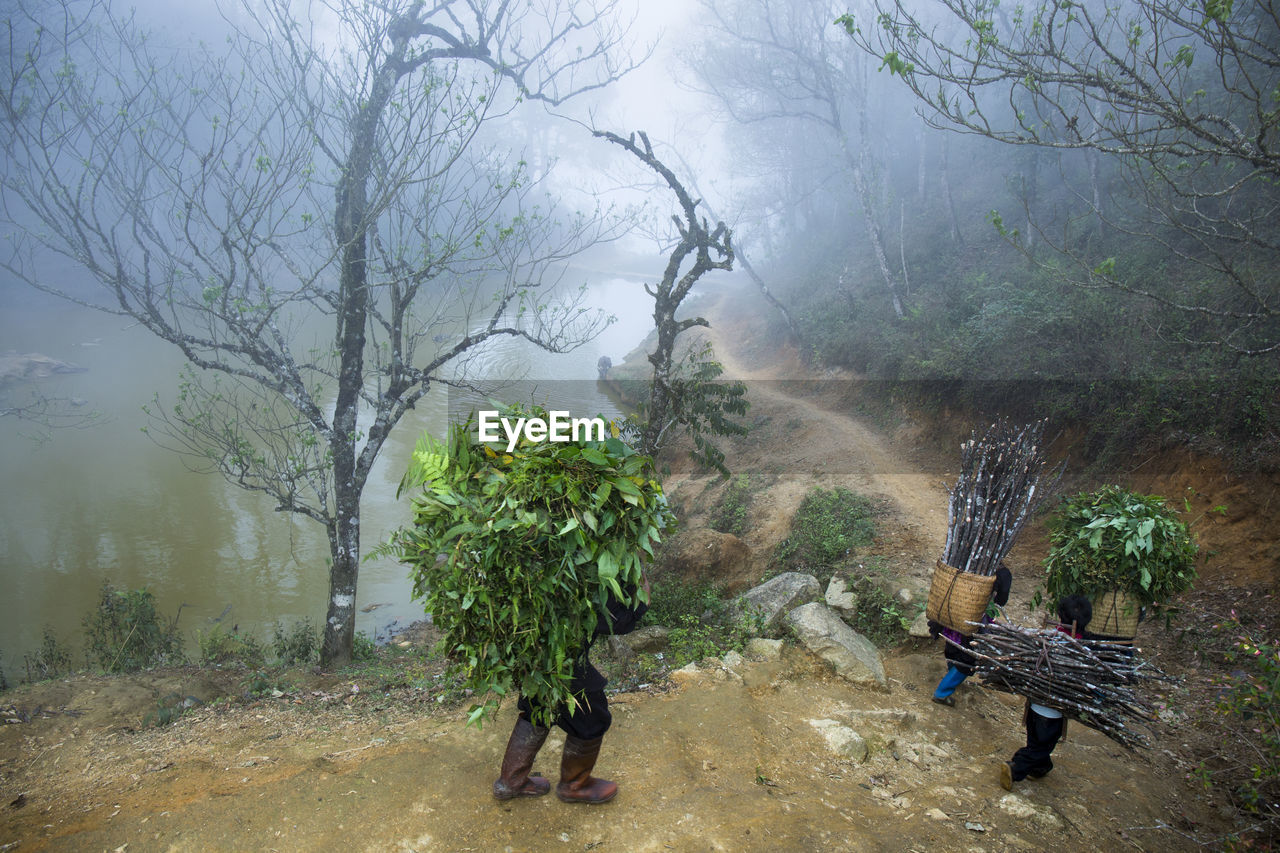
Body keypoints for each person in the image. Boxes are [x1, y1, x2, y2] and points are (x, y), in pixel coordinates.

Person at [493, 573, 650, 805]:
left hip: (534, 651)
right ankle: (575, 785)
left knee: (538, 706)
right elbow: (618, 621)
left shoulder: (541, 560)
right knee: (592, 716)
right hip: (565, 658)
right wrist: (643, 597)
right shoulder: (589, 571)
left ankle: (510, 781)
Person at [1000, 593, 1093, 790]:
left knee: (1037, 740)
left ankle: (1041, 767)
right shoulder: (1083, 651)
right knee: (1041, 745)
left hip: (1035, 704)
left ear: (1060, 616)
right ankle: (1015, 767)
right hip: (1053, 712)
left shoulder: (1047, 638)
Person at [930, 564, 1013, 707]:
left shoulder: (965, 562)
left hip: (953, 610)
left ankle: (952, 675)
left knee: (954, 643)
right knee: (969, 657)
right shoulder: (1002, 573)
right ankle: (942, 692)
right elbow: (1001, 600)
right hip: (976, 618)